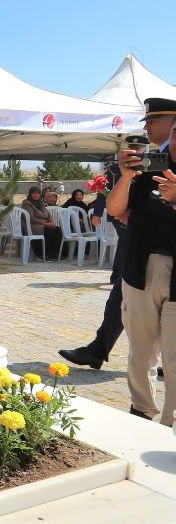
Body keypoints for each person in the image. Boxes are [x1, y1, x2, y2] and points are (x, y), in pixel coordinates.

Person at [59, 98, 176, 373]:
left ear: (173, 122)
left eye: (153, 120)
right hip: (137, 244)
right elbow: (122, 205)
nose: (146, 125)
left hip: (165, 253)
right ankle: (103, 350)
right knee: (125, 295)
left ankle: (158, 361)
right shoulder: (147, 160)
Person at [105, 116, 176, 423]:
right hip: (140, 269)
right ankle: (141, 411)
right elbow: (115, 210)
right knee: (141, 351)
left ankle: (171, 421)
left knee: (174, 359)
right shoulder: (149, 169)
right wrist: (125, 176)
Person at [20, 186, 62, 260]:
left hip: (41, 225)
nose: (36, 195)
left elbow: (48, 214)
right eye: (34, 193)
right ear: (30, 194)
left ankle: (54, 254)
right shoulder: (26, 203)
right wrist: (45, 224)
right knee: (49, 231)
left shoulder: (40, 203)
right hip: (31, 226)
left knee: (58, 230)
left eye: (38, 193)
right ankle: (42, 254)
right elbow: (31, 218)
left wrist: (51, 222)